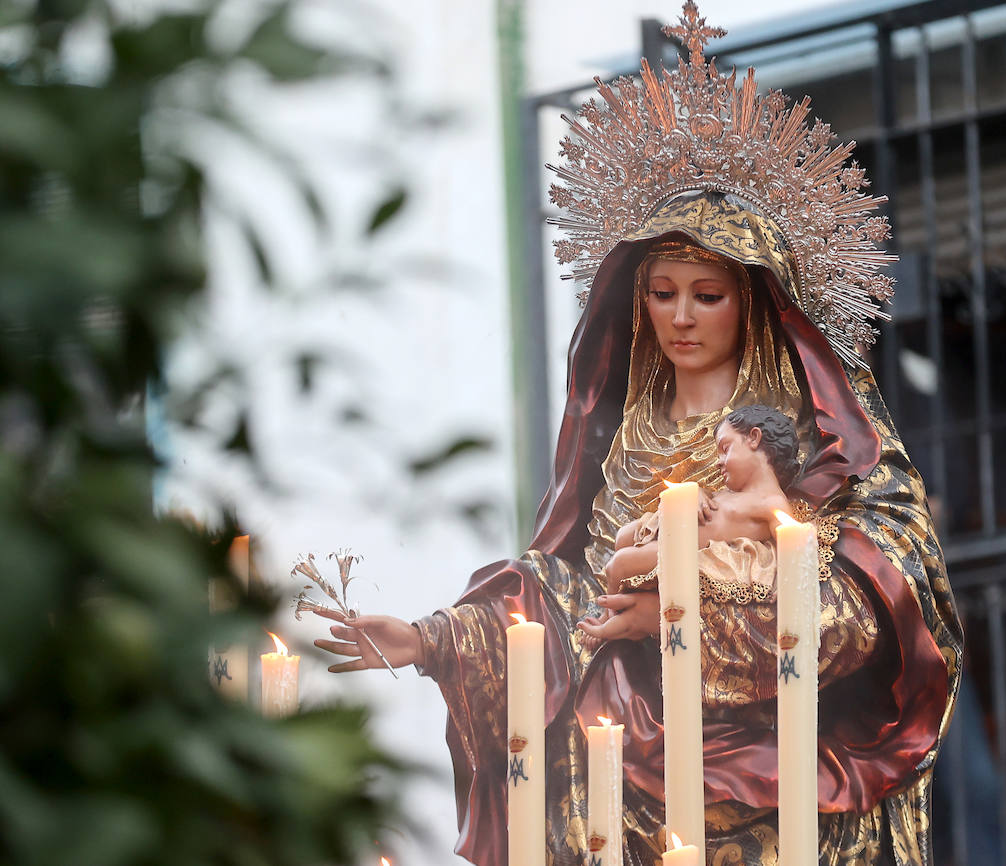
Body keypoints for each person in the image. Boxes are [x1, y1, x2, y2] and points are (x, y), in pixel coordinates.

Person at [310, 6, 961, 865]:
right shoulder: (617, 435)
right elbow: (559, 589)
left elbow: (873, 600)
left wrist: (684, 617)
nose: (681, 317)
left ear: (753, 300)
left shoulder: (820, 433)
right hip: (620, 772)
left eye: (707, 293)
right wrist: (433, 640)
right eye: (661, 293)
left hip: (773, 781)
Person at [584, 403, 798, 616]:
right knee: (623, 536)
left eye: (725, 449)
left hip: (686, 554)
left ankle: (607, 617)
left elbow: (791, 549)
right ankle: (627, 603)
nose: (718, 463)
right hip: (671, 535)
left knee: (619, 565)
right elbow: (707, 502)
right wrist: (696, 493)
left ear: (754, 438)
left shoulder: (772, 503)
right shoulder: (731, 492)